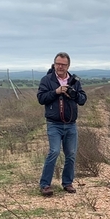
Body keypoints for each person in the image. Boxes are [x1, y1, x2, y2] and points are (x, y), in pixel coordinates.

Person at [37, 52, 87, 196]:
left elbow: (83, 99)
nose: (60, 66)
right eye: (58, 63)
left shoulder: (74, 81)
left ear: (68, 66)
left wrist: (74, 94)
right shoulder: (47, 80)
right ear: (54, 64)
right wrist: (56, 91)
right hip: (54, 124)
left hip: (71, 124)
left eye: (63, 64)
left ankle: (67, 183)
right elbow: (41, 98)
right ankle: (45, 184)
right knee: (54, 152)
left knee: (70, 154)